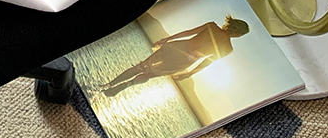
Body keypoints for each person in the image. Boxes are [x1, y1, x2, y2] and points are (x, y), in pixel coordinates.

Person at [99, 16, 250, 97]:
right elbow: (207, 62)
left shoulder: (212, 26)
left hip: (178, 47)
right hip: (185, 61)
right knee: (149, 74)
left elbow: (188, 32)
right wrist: (189, 73)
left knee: (139, 67)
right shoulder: (228, 48)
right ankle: (128, 85)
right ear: (238, 33)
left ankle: (108, 85)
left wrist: (167, 39)